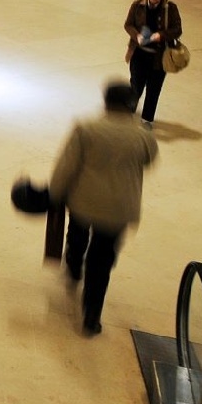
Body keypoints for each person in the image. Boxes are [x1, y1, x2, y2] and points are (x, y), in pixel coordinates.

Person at [49, 83, 158, 335]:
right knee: (102, 260)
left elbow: (67, 165)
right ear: (132, 105)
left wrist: (55, 193)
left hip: (83, 200)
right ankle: (91, 316)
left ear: (105, 101)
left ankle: (74, 268)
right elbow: (149, 160)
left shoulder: (87, 128)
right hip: (119, 208)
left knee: (77, 235)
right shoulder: (143, 134)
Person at [123, 0, 183, 124]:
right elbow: (128, 24)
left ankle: (147, 119)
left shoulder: (171, 8)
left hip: (159, 57)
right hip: (139, 54)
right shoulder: (138, 5)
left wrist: (161, 35)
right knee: (136, 84)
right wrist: (136, 36)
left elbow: (177, 29)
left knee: (154, 89)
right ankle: (129, 111)